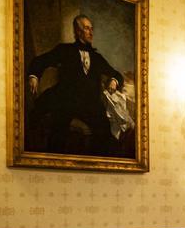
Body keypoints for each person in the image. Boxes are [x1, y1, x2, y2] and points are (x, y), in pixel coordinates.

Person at [26, 14, 125, 156]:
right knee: (57, 131)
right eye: (86, 28)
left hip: (89, 103)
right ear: (78, 31)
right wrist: (34, 76)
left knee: (104, 131)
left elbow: (115, 73)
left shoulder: (97, 57)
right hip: (66, 100)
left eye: (91, 29)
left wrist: (114, 80)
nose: (91, 32)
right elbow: (40, 61)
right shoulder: (64, 50)